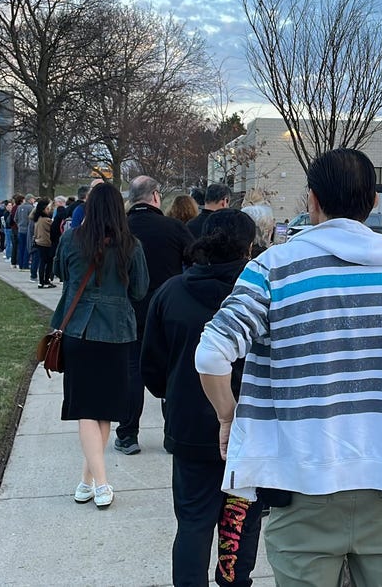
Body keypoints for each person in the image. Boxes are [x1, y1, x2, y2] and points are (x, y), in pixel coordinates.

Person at [196, 148, 382, 586]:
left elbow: (211, 354)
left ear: (312, 200)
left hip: (300, 478)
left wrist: (229, 416)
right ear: (374, 201)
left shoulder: (272, 268)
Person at [142, 208, 264, 587]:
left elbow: (152, 366)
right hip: (250, 430)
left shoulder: (171, 293)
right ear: (248, 249)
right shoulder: (261, 298)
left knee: (193, 523)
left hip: (190, 426)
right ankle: (234, 581)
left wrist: (175, 393)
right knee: (239, 521)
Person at [52, 182, 149, 509]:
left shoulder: (71, 239)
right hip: (117, 333)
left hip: (78, 329)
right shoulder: (131, 246)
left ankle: (88, 481)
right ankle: (102, 484)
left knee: (88, 408)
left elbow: (60, 272)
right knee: (101, 408)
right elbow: (139, 290)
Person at [113, 175, 194, 456]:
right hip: (168, 312)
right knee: (172, 374)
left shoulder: (118, 228)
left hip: (128, 313)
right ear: (156, 197)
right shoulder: (174, 228)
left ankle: (127, 434)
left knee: (131, 372)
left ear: (132, 198)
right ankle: (172, 432)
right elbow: (195, 260)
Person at [30, 198, 55, 287]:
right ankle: (46, 280)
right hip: (47, 243)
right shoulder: (46, 221)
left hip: (39, 241)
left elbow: (32, 215)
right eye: (48, 209)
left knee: (42, 262)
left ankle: (41, 281)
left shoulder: (37, 219)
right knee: (48, 263)